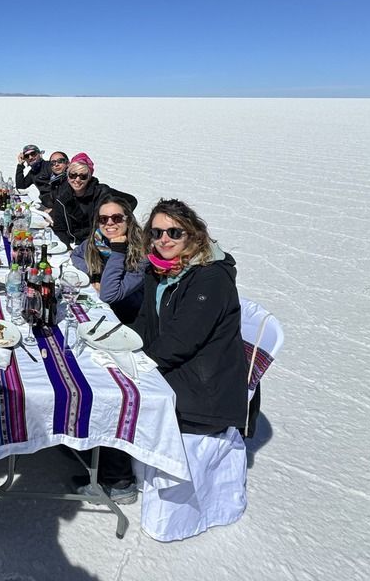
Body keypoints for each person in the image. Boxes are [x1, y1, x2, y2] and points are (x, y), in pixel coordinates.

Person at [129, 199, 250, 540]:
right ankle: (113, 470)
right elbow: (146, 324)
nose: (163, 239)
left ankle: (114, 475)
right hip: (183, 368)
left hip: (206, 390)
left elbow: (182, 340)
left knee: (127, 392)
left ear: (193, 234)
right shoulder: (163, 270)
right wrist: (119, 342)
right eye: (156, 232)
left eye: (173, 232)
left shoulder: (210, 278)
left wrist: (137, 364)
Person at [70, 194, 147, 324]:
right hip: (104, 310)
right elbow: (76, 255)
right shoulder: (98, 240)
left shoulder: (141, 253)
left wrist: (118, 250)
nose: (109, 223)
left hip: (128, 317)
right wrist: (96, 274)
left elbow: (109, 295)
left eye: (117, 218)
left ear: (128, 220)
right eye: (103, 219)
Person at [52, 152, 137, 248]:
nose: (77, 180)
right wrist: (67, 248)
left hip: (102, 243)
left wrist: (116, 219)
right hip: (75, 245)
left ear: (89, 177)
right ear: (68, 176)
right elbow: (59, 229)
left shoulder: (102, 192)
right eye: (73, 175)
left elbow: (131, 201)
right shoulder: (62, 198)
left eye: (83, 176)